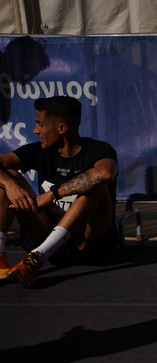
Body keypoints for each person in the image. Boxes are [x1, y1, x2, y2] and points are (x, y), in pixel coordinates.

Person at [0, 96, 119, 288]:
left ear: (62, 128)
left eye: (40, 124)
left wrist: (52, 194)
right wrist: (10, 183)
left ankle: (39, 257)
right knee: (7, 177)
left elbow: (105, 173)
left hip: (87, 245)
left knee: (95, 185)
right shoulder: (38, 151)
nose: (35, 130)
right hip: (45, 236)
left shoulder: (98, 150)